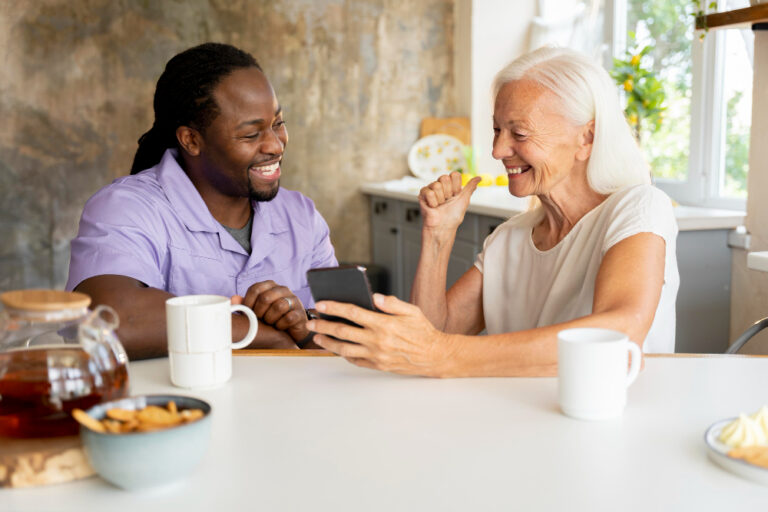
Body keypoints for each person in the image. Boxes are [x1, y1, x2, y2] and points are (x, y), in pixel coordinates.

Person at [307, 46, 679, 377]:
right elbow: (436, 335)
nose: (498, 150)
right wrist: (438, 235)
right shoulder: (509, 237)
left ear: (587, 138)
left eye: (519, 133)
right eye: (497, 130)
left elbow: (618, 332)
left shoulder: (639, 207)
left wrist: (442, 354)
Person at [66, 43, 337, 359]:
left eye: (277, 123)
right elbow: (115, 321)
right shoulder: (126, 208)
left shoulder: (301, 216)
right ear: (192, 140)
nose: (276, 145)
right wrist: (261, 334)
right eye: (251, 135)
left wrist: (303, 328)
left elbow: (347, 340)